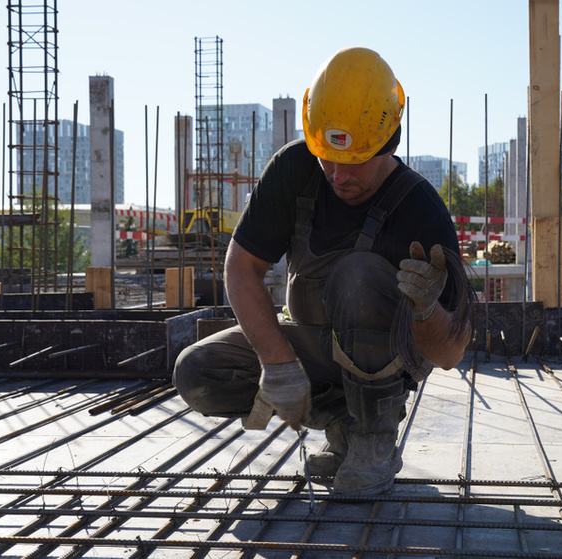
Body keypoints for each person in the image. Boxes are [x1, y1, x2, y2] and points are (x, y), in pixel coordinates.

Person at [173, 46, 475, 496]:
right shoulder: (295, 170)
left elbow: (450, 356)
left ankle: (374, 437)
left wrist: (427, 308)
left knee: (358, 277)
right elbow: (241, 266)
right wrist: (277, 365)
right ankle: (343, 425)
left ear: (388, 142)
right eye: (326, 157)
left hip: (388, 363)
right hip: (317, 345)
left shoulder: (419, 209)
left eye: (354, 162)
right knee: (200, 371)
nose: (337, 174)